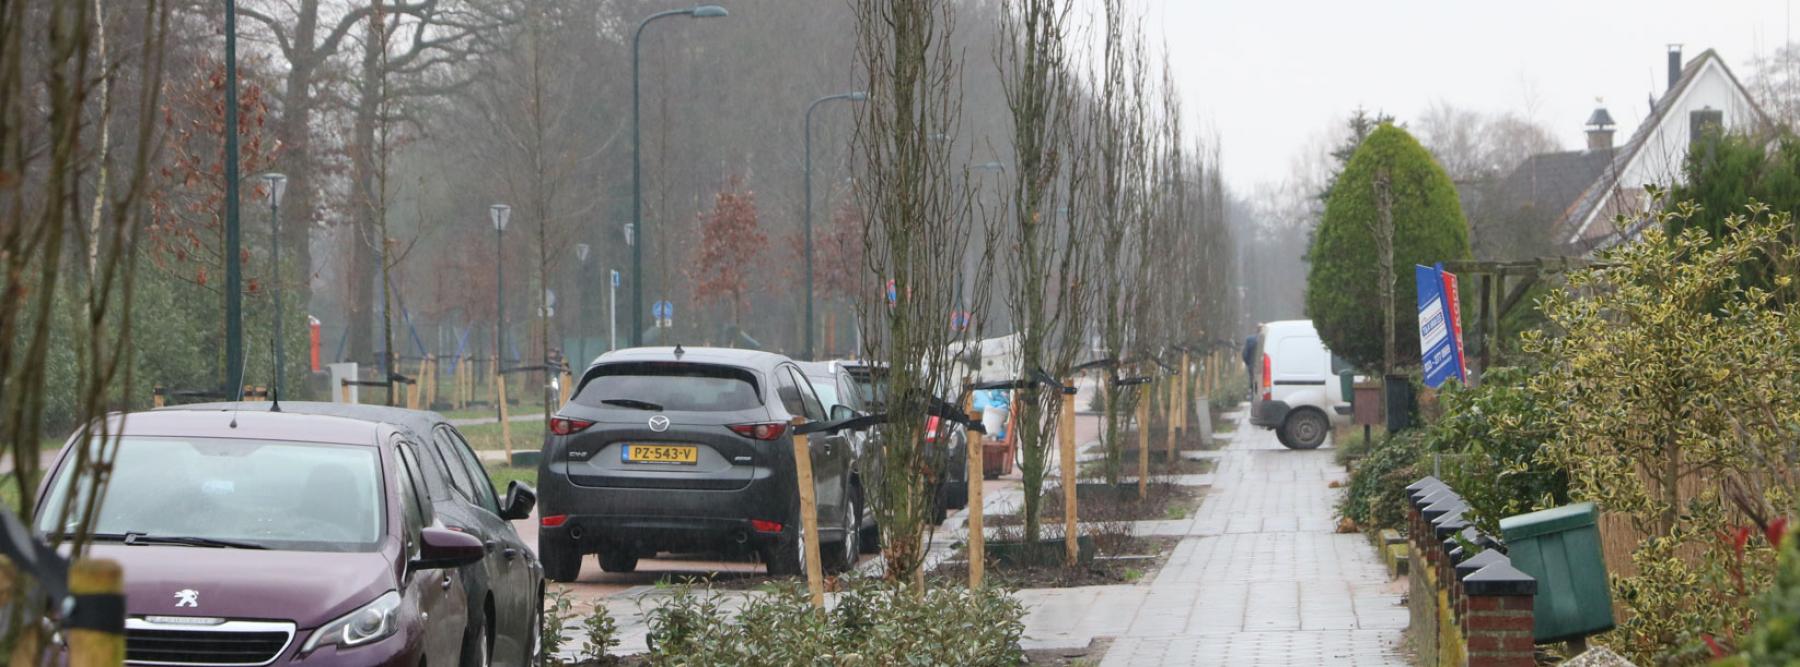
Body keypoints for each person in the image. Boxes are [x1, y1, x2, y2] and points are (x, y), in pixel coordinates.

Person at [1242, 332, 1259, 401]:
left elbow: (1245, 355)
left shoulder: (1250, 340)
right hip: (1267, 367)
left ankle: (1254, 400)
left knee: (1254, 385)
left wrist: (1249, 364)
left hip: (1253, 367)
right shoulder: (1268, 338)